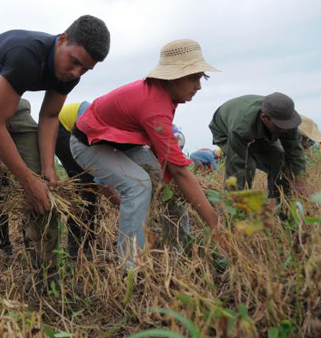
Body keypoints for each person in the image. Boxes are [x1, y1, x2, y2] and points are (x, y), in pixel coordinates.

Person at [0, 15, 110, 302]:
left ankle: (48, 279)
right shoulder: (27, 55)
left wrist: (47, 171)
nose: (76, 72)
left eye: (85, 68)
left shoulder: (70, 73)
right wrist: (26, 181)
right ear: (61, 39)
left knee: (45, 191)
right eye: (74, 61)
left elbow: (49, 116)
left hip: (11, 102)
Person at [70, 39, 224, 268]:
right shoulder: (154, 105)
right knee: (139, 185)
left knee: (168, 188)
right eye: (193, 78)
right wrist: (215, 224)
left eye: (200, 78)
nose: (198, 86)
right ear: (173, 77)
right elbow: (180, 171)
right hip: (89, 144)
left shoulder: (166, 96)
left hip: (122, 143)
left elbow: (170, 168)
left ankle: (177, 254)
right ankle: (130, 268)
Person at [209, 92, 307, 200]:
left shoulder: (286, 118)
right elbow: (237, 165)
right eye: (280, 126)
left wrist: (299, 179)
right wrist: (237, 199)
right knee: (247, 165)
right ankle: (238, 208)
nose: (285, 129)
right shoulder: (241, 127)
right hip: (224, 130)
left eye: (287, 125)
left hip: (257, 129)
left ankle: (280, 203)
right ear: (264, 118)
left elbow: (295, 151)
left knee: (279, 156)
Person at [56, 101, 120, 258]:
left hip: (74, 127)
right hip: (60, 128)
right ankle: (78, 245)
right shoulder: (104, 131)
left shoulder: (117, 134)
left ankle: (87, 242)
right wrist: (120, 204)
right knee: (85, 184)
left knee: (87, 185)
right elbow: (99, 176)